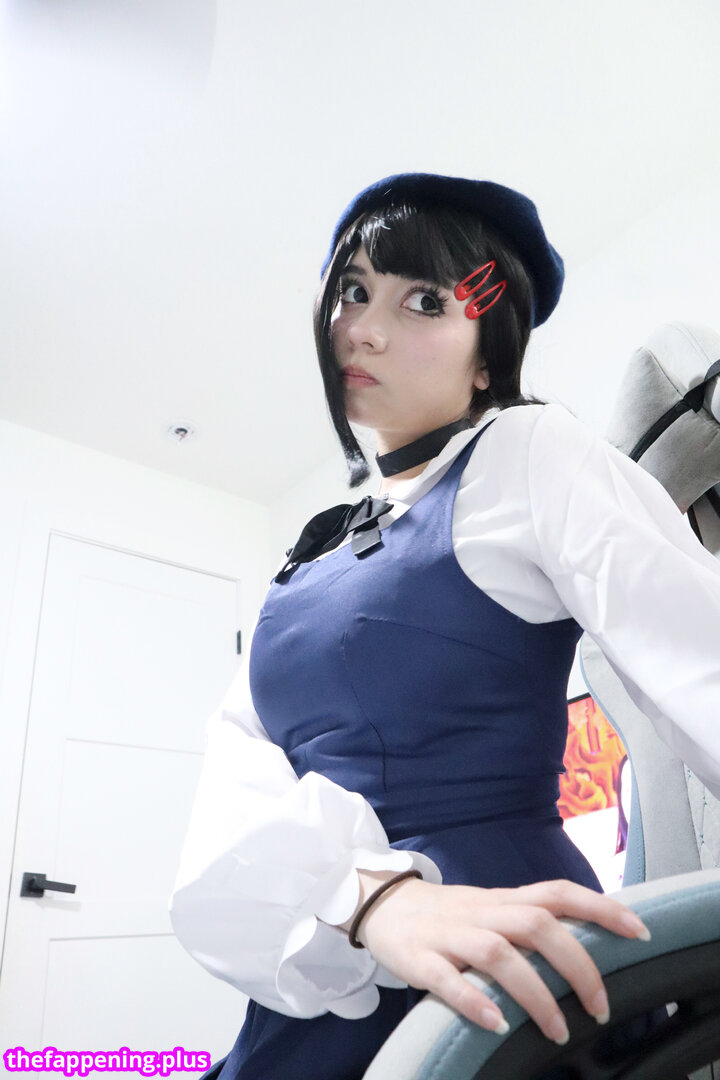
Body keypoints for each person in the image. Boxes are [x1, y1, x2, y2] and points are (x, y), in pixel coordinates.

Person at [169, 172, 720, 1080]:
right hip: (333, 972)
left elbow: (701, 659)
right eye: (353, 291)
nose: (365, 329)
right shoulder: (304, 556)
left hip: (507, 964)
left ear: (486, 355)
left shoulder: (529, 452)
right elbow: (233, 794)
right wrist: (369, 898)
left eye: (424, 301)